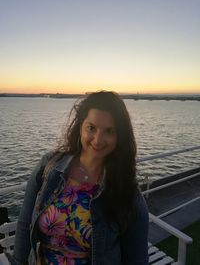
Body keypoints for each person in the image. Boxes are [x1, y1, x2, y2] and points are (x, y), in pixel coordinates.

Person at [7, 91, 149, 265]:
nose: (98, 140)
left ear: (120, 136)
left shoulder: (127, 194)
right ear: (80, 126)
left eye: (109, 131)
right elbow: (24, 224)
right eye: (92, 128)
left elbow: (137, 259)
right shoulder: (49, 167)